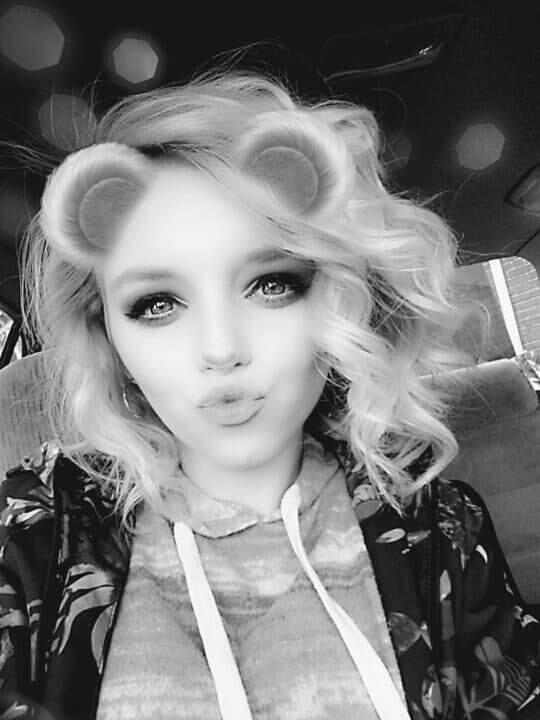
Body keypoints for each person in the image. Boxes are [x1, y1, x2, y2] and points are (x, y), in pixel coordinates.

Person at [1, 55, 539, 720]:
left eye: (272, 284)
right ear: (107, 334)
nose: (221, 348)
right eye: (157, 303)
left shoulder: (440, 527)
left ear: (340, 302)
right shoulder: (34, 533)